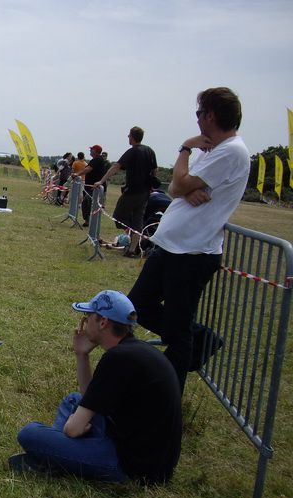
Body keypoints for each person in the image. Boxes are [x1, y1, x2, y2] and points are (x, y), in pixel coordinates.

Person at [128, 87, 250, 393]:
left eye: (198, 114)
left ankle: (166, 402)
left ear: (209, 115)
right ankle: (202, 340)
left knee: (178, 335)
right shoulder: (218, 150)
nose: (197, 121)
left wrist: (185, 148)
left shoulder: (231, 150)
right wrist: (183, 185)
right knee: (138, 306)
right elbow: (174, 190)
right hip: (173, 246)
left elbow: (179, 183)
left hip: (192, 252)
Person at [10, 290, 182, 484]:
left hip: (132, 466)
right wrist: (82, 355)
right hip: (149, 455)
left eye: (88, 316)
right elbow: (90, 398)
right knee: (73, 400)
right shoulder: (135, 351)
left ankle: (53, 460)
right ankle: (56, 458)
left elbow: (73, 430)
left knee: (30, 433)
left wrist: (73, 427)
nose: (84, 322)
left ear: (103, 322)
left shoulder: (118, 358)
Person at [94, 127, 157, 257]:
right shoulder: (150, 151)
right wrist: (151, 185)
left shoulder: (132, 151)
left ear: (132, 137)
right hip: (145, 191)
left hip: (132, 191)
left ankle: (136, 236)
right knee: (138, 219)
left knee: (118, 216)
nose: (128, 138)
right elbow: (154, 170)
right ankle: (132, 249)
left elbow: (116, 167)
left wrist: (101, 181)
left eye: (129, 136)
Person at [75, 144, 108, 226]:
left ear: (96, 151)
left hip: (95, 187)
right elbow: (87, 168)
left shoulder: (97, 159)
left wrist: (77, 174)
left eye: (92, 149)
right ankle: (88, 221)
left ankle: (91, 222)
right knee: (86, 203)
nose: (90, 150)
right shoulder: (95, 159)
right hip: (90, 186)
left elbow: (88, 169)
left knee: (88, 202)